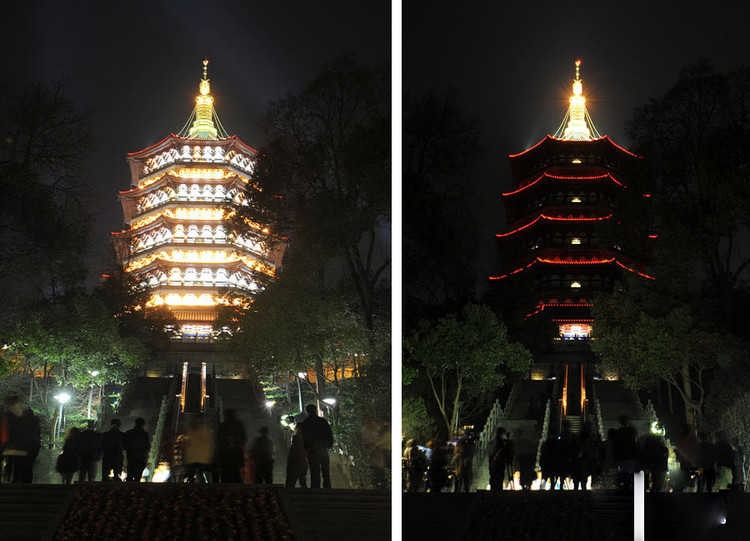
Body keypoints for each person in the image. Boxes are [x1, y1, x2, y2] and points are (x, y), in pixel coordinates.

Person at [299, 404, 334, 489]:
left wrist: (307, 448)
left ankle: (316, 489)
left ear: (307, 412)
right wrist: (328, 445)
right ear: (315, 410)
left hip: (313, 449)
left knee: (315, 472)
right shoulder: (322, 421)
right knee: (326, 471)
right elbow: (329, 434)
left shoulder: (307, 422)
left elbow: (305, 437)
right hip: (324, 448)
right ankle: (328, 488)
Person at [0, 395, 30, 483]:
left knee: (10, 463)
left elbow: (6, 430)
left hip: (9, 444)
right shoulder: (21, 415)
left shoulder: (8, 415)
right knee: (17, 465)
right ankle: (14, 481)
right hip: (19, 444)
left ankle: (8, 479)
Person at [217, 408, 247, 483]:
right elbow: (244, 438)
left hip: (225, 453)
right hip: (236, 452)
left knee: (226, 473)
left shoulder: (222, 426)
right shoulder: (239, 425)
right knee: (236, 472)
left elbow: (218, 439)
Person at [184, 416, 215, 483]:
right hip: (201, 457)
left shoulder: (191, 431)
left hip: (193, 456)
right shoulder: (205, 430)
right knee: (199, 473)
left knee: (192, 474)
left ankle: (192, 486)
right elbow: (211, 442)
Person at [612, 415, 639, 489]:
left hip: (623, 458)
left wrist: (616, 459)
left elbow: (616, 446)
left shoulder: (618, 432)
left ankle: (625, 490)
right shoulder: (631, 430)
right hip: (632, 457)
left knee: (624, 477)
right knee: (632, 477)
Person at [123, 417, 150, 482]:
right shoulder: (144, 434)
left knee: (130, 474)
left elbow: (125, 445)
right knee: (138, 475)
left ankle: (128, 488)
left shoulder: (129, 433)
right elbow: (147, 446)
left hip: (130, 456)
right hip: (141, 457)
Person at [19, 408, 41, 483]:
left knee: (23, 465)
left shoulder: (24, 422)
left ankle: (22, 481)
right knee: (29, 465)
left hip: (25, 446)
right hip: (34, 447)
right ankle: (27, 482)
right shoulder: (36, 423)